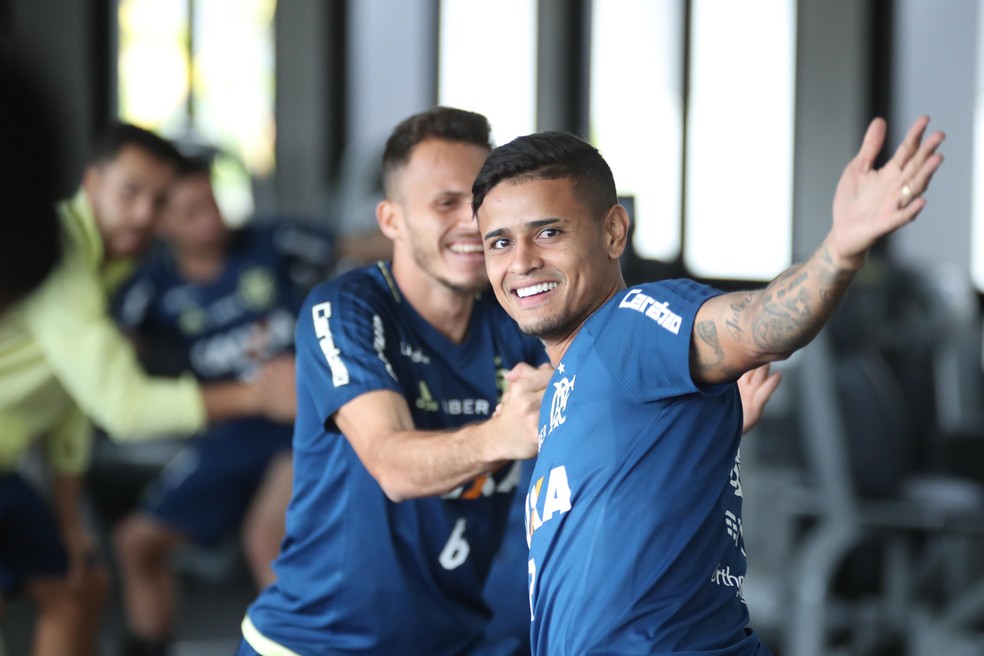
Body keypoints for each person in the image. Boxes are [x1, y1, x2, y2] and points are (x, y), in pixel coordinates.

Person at [238, 106, 780, 656]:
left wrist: (686, 419)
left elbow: (601, 422)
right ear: (392, 221)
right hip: (319, 645)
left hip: (454, 640)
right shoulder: (348, 306)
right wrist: (505, 433)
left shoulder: (519, 318)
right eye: (442, 203)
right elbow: (392, 466)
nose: (470, 224)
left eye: (473, 203)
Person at [470, 116, 944, 655]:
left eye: (549, 232)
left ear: (613, 231)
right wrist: (704, 430)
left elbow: (762, 323)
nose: (522, 262)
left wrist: (842, 246)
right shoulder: (579, 380)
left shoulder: (630, 325)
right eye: (499, 243)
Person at [0, 124, 293, 656]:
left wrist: (70, 521)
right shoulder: (66, 258)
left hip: (281, 435)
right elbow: (123, 407)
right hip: (240, 424)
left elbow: (71, 399)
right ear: (92, 182)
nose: (142, 214)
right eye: (128, 192)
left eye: (157, 201)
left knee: (81, 585)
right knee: (128, 553)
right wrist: (256, 395)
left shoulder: (113, 268)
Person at [109, 153, 338, 656]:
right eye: (191, 212)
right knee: (136, 543)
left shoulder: (273, 242)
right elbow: (108, 361)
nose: (210, 219)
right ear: (161, 221)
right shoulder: (149, 289)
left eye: (212, 203)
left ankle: (298, 647)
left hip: (302, 422)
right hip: (229, 434)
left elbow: (362, 249)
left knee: (268, 538)